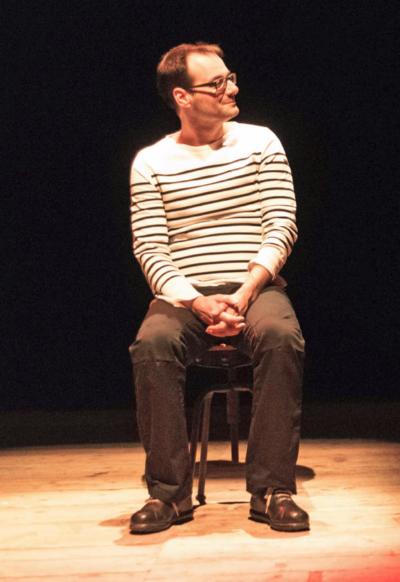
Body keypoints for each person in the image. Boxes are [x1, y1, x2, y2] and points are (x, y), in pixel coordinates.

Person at [128, 42, 308, 533]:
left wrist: (246, 292)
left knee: (281, 337)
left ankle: (272, 490)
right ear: (182, 97)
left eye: (230, 77)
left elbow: (281, 225)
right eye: (218, 83)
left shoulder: (261, 142)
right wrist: (196, 301)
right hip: (185, 295)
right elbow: (150, 248)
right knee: (152, 344)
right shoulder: (151, 161)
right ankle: (168, 495)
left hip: (255, 286)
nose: (232, 88)